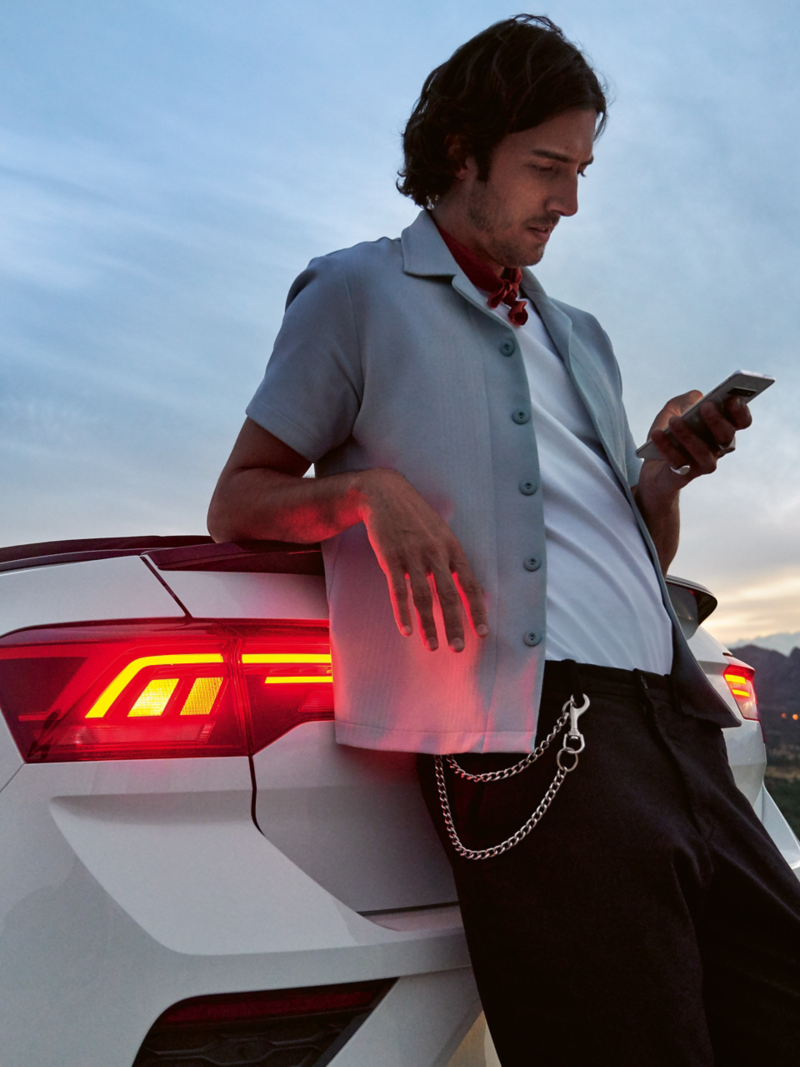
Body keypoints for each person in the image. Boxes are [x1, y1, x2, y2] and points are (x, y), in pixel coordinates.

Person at [208, 14, 800, 1065]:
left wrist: (658, 475)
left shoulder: (581, 332)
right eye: (544, 167)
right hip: (531, 735)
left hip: (674, 717)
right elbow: (241, 499)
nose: (567, 200)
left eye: (579, 169)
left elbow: (632, 554)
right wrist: (364, 492)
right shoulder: (354, 291)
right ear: (459, 151)